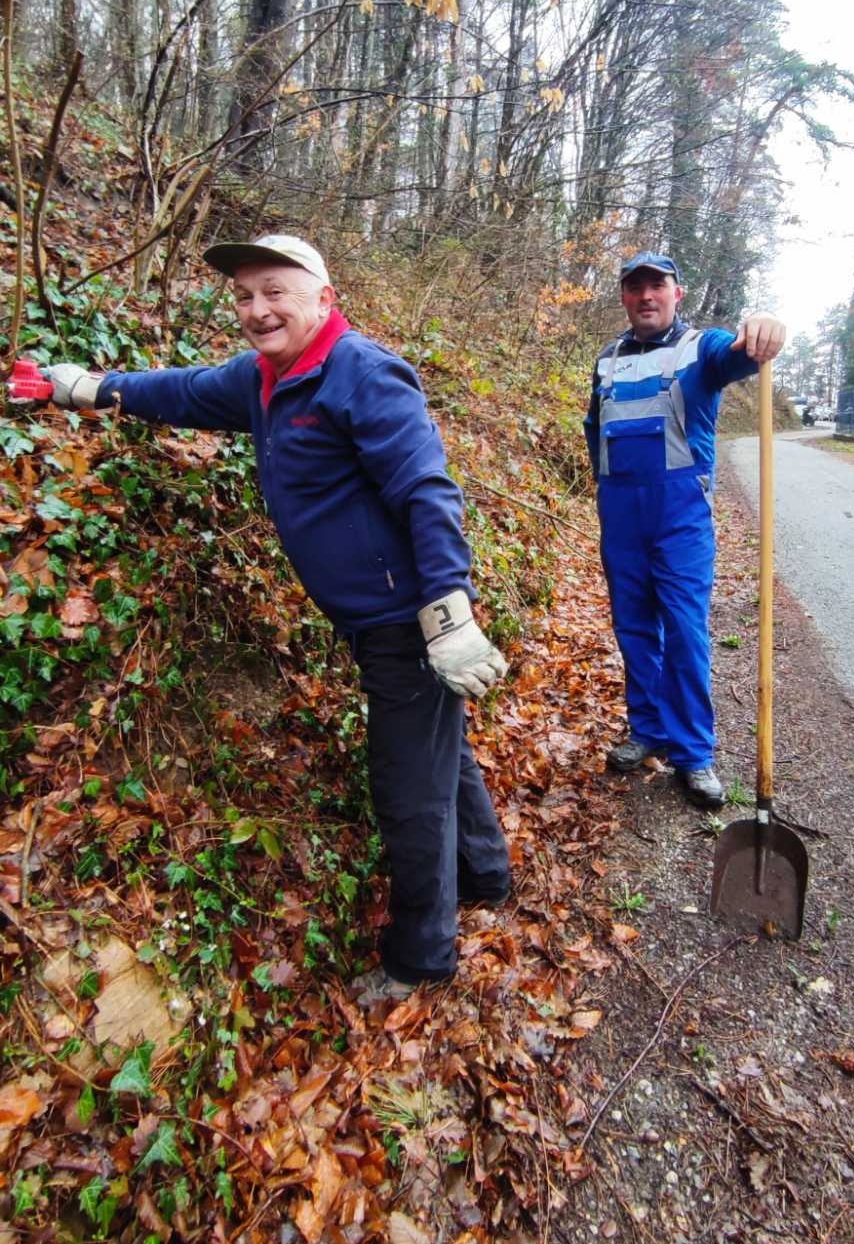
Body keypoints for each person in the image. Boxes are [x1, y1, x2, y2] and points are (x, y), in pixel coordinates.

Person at [17, 234, 511, 999]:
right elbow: (175, 391)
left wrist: (447, 613)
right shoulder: (264, 380)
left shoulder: (363, 374)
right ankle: (485, 873)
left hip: (404, 621)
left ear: (322, 294)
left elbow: (426, 489)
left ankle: (422, 955)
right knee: (438, 748)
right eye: (244, 295)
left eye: (274, 290)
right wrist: (81, 386)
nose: (256, 309)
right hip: (369, 618)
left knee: (407, 786)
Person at [583, 252, 785, 809]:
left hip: (680, 520)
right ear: (624, 297)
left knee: (685, 630)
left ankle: (693, 753)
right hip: (619, 516)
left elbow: (745, 351)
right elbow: (594, 431)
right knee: (634, 629)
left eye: (656, 285)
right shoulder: (607, 359)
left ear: (676, 293)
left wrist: (765, 327)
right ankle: (647, 729)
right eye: (634, 287)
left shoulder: (704, 348)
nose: (645, 296)